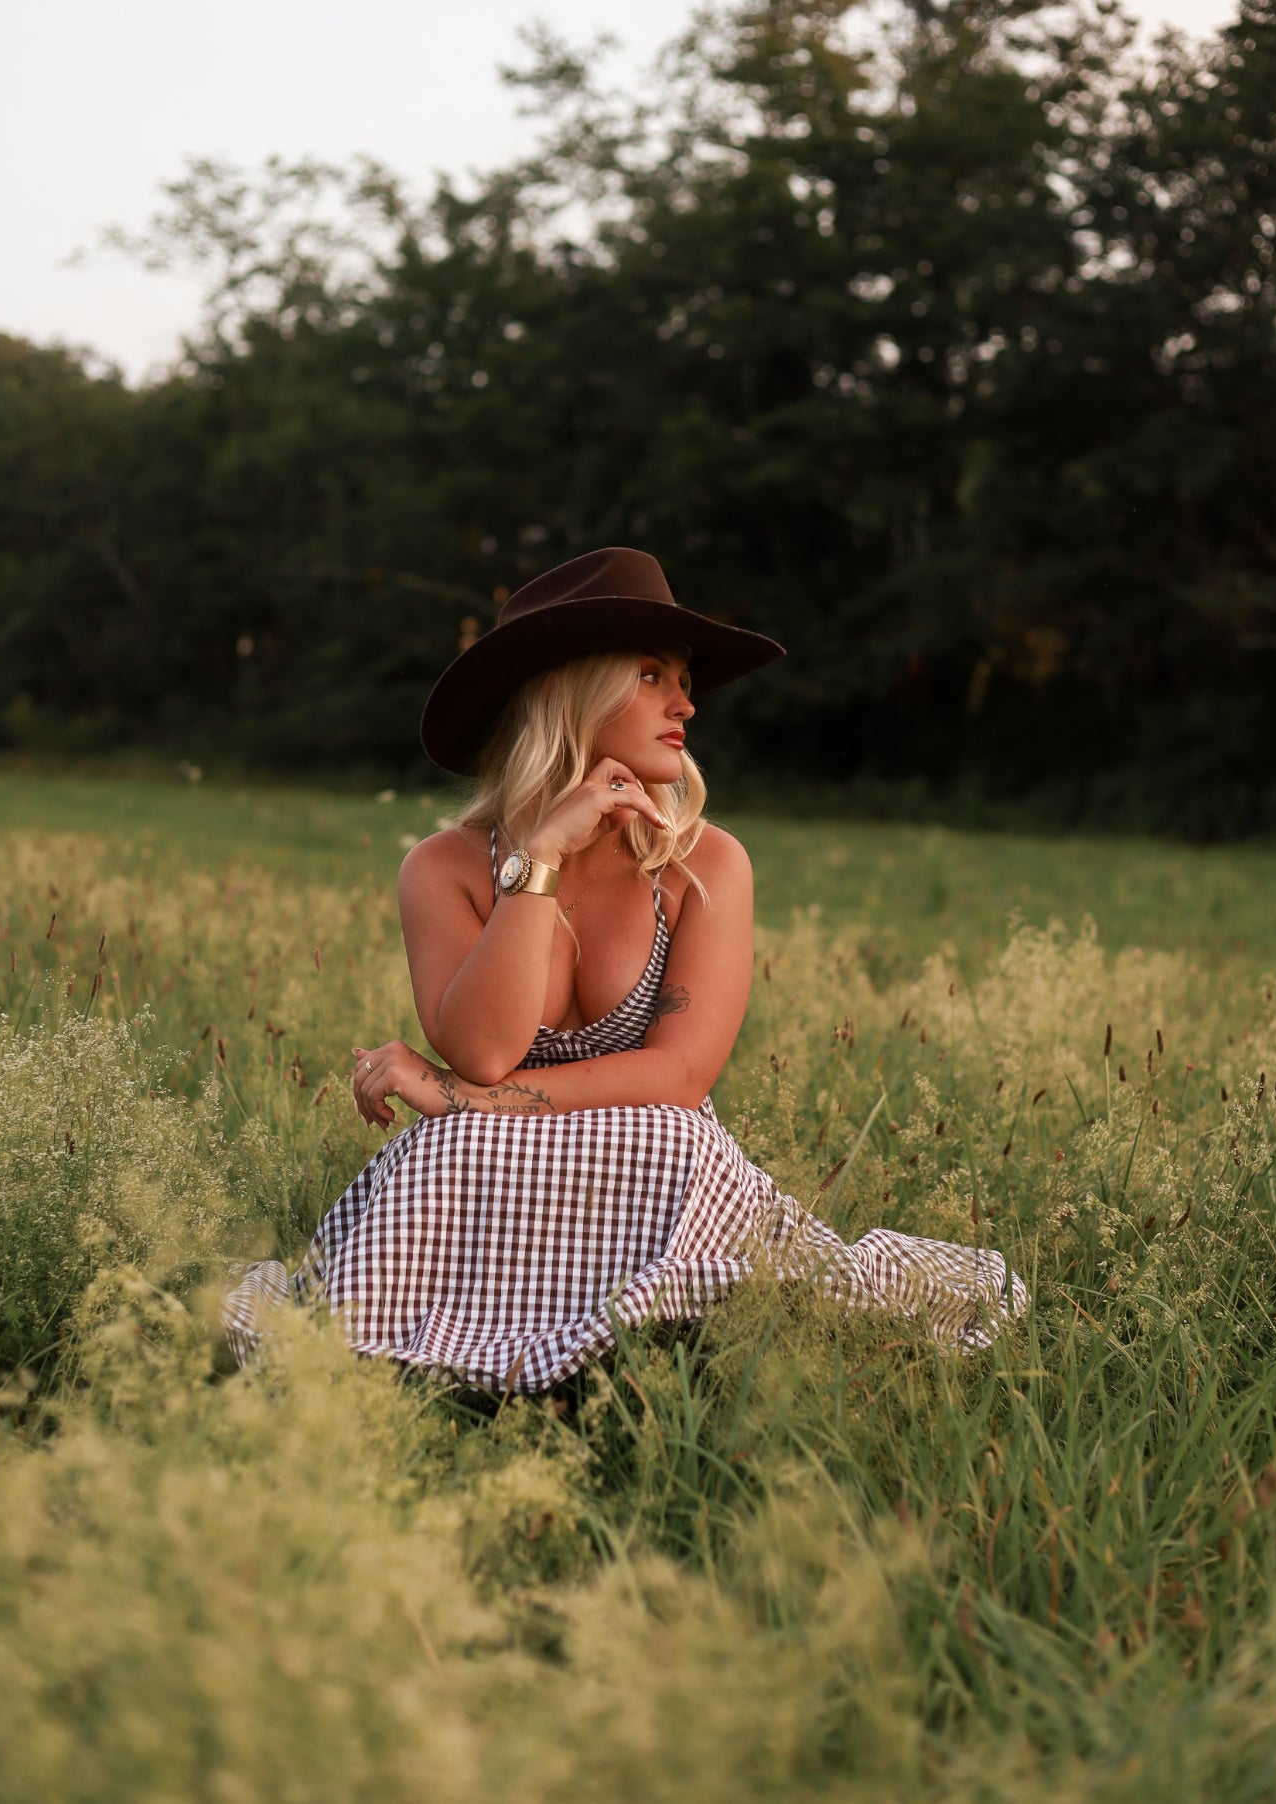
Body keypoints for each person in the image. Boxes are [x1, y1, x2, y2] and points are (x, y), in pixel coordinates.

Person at [223, 548, 1026, 1386]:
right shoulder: (442, 868)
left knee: (665, 1137)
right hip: (493, 1177)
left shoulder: (704, 865)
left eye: (683, 679)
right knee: (443, 1150)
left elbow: (677, 1075)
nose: (685, 702)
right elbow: (488, 1049)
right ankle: (479, 1355)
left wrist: (463, 1098)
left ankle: (633, 1342)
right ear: (568, 690)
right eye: (651, 675)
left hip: (651, 1160)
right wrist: (537, 858)